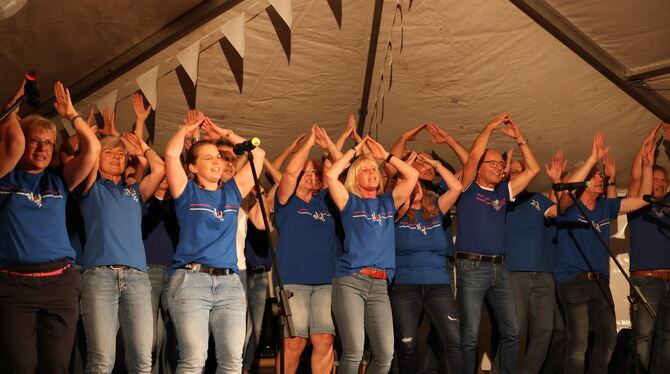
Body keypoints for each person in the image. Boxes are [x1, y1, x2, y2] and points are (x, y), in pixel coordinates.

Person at [0, 80, 100, 373]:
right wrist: (11, 107)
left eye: (48, 143)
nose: (43, 148)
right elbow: (12, 143)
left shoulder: (58, 179)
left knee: (57, 365)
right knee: (21, 365)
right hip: (14, 286)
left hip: (59, 284)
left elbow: (92, 150)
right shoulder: (5, 179)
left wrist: (71, 115)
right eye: (36, 141)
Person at [164, 111, 265, 373]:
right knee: (194, 360)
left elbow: (259, 154)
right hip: (191, 282)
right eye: (208, 158)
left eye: (218, 157)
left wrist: (225, 134)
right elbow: (172, 155)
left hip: (230, 283)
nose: (217, 161)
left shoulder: (232, 191)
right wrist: (184, 130)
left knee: (232, 361)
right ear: (193, 167)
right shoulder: (187, 191)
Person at [556, 133, 654, 374]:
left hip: (600, 280)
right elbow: (568, 189)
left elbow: (642, 200)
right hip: (573, 281)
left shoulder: (604, 206)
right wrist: (592, 158)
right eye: (593, 176)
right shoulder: (569, 206)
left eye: (600, 175)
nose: (599, 178)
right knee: (578, 343)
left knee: (608, 339)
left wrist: (648, 166)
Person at [325, 136, 419, 374]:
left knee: (386, 354)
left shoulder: (388, 202)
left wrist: (385, 156)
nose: (372, 173)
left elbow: (413, 176)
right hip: (351, 281)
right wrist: (354, 150)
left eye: (374, 170)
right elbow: (331, 176)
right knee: (354, 351)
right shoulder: (349, 202)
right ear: (356, 177)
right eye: (365, 170)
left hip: (380, 285)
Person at [455, 113, 540, 374]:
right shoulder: (467, 188)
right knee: (469, 336)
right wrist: (490, 126)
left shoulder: (504, 192)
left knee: (513, 332)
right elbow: (472, 156)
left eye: (501, 164)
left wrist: (521, 139)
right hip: (471, 267)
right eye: (492, 162)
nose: (499, 167)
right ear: (479, 167)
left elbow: (534, 170)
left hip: (500, 269)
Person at [77, 129, 165, 373]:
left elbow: (159, 170)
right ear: (97, 157)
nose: (116, 157)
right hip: (100, 277)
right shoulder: (90, 187)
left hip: (137, 278)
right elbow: (87, 156)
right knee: (102, 360)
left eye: (121, 154)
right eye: (109, 152)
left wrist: (143, 151)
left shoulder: (133, 191)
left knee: (142, 360)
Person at [274, 125, 342, 373]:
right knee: (295, 341)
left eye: (316, 174)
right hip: (294, 280)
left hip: (326, 280)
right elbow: (289, 173)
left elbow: (342, 171)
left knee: (324, 339)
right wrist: (311, 142)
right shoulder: (285, 200)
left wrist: (329, 146)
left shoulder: (325, 201)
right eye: (307, 173)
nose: (312, 177)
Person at [389, 154, 462, 374]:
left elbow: (456, 188)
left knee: (454, 341)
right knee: (407, 344)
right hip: (404, 286)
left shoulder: (436, 210)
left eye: (417, 184)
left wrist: (436, 164)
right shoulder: (395, 215)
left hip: (438, 284)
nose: (416, 189)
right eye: (410, 186)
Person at [503, 150, 563, 374]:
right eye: (513, 172)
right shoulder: (500, 201)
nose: (518, 175)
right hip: (513, 273)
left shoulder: (537, 199)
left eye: (522, 171)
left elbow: (559, 211)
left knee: (546, 330)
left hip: (543, 275)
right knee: (515, 331)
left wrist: (556, 180)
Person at [626, 123, 670, 373]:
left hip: (669, 280)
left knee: (667, 339)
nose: (661, 184)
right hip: (646, 282)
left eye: (664, 181)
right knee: (643, 337)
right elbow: (634, 179)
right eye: (655, 180)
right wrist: (644, 154)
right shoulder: (639, 204)